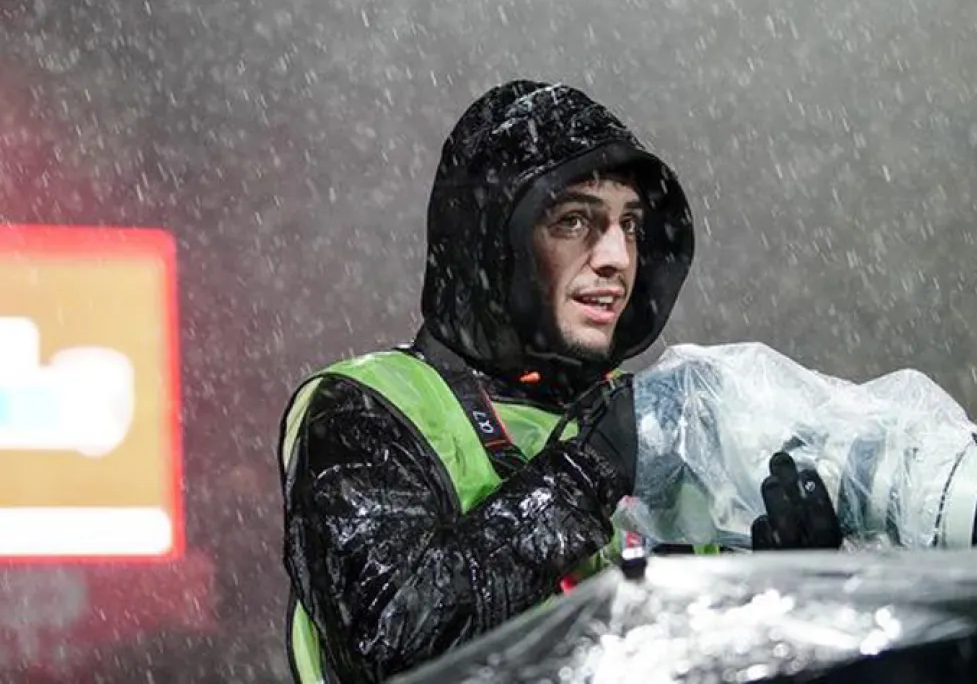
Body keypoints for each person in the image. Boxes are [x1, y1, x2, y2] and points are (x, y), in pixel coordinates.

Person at [278, 79, 840, 684]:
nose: (617, 257)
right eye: (574, 220)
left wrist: (783, 595)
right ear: (491, 243)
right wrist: (589, 470)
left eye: (630, 225)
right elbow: (393, 641)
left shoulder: (654, 427)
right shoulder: (366, 407)